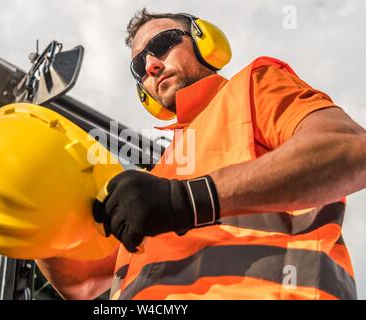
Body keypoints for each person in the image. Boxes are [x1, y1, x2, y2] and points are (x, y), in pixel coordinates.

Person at [36, 8, 366, 300]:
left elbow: (350, 149)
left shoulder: (254, 85)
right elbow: (87, 285)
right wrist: (33, 219)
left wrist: (188, 199)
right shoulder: (161, 173)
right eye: (139, 64)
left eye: (163, 44)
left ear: (203, 41)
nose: (151, 65)